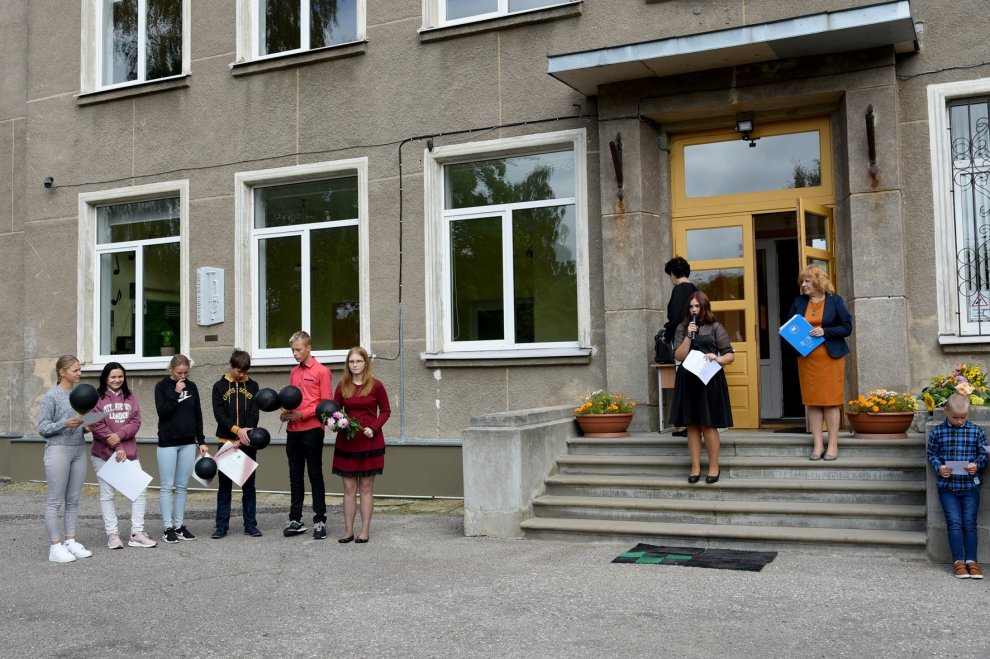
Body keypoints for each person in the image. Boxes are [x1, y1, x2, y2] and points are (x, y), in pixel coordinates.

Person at [787, 265, 852, 461]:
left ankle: (832, 444)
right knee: (813, 402)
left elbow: (847, 327)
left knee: (830, 402)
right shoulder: (799, 301)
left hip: (830, 358)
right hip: (807, 359)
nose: (803, 285)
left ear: (818, 281)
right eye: (802, 281)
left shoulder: (835, 301)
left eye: (807, 281)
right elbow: (790, 327)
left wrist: (825, 331)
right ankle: (817, 444)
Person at [89, 362, 156, 549]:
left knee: (139, 491)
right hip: (103, 455)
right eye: (113, 377)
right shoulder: (96, 398)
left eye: (120, 376)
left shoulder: (131, 396)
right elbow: (97, 426)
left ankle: (136, 534)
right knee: (107, 494)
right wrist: (117, 446)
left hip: (128, 453)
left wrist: (119, 436)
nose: (117, 380)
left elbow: (136, 421)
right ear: (105, 378)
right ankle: (113, 535)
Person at [670, 292, 735, 484]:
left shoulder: (715, 327)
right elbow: (679, 356)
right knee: (692, 424)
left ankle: (714, 467)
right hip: (688, 380)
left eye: (697, 306)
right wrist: (689, 336)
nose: (694, 310)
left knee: (708, 424)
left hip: (709, 379)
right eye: (691, 306)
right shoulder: (682, 328)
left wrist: (718, 358)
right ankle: (695, 467)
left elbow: (730, 355)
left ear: (704, 307)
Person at [37, 355, 94, 563]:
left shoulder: (80, 395)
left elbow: (79, 425)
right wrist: (64, 423)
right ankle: (55, 547)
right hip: (58, 450)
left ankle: (70, 541)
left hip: (78, 450)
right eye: (75, 370)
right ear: (62, 372)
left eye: (80, 370)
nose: (79, 373)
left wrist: (87, 427)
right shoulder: (51, 396)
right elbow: (42, 428)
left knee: (73, 500)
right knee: (55, 501)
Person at [332, 347, 391, 544]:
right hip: (347, 442)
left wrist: (374, 428)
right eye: (351, 362)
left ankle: (364, 531)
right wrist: (336, 422)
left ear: (365, 363)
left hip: (369, 441)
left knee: (366, 488)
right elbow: (334, 411)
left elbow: (385, 410)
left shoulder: (376, 385)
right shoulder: (342, 385)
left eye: (358, 361)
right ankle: (348, 531)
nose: (355, 365)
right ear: (347, 364)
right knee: (349, 489)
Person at [927, 393, 988, 579]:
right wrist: (940, 467)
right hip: (947, 487)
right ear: (946, 410)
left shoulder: (977, 431)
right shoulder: (937, 432)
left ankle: (972, 561)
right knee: (954, 522)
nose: (960, 421)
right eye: (955, 417)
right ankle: (958, 561)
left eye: (964, 417)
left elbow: (984, 454)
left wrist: (977, 464)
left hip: (970, 487)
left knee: (969, 523)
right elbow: (932, 454)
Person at [281, 331, 333, 540]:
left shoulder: (322, 371)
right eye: (292, 350)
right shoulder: (294, 372)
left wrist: (303, 414)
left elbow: (326, 404)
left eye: (298, 350)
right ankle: (295, 519)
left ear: (309, 348)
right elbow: (290, 399)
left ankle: (320, 520)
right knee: (295, 475)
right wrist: (285, 412)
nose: (295, 354)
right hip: (293, 430)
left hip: (312, 430)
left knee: (314, 474)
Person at [155, 354, 208, 544]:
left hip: (188, 442)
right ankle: (167, 528)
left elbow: (197, 414)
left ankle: (179, 526)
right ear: (171, 369)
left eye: (186, 372)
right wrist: (176, 392)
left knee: (182, 486)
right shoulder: (162, 387)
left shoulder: (192, 386)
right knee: (167, 486)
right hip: (168, 442)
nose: (183, 376)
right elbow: (163, 412)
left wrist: (201, 440)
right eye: (179, 373)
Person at [211, 349, 262, 539]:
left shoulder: (253, 386)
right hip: (226, 442)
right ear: (231, 366)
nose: (241, 374)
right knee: (225, 487)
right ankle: (221, 527)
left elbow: (254, 413)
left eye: (245, 371)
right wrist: (236, 430)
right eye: (238, 371)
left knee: (249, 486)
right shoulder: (219, 387)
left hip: (247, 442)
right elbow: (219, 415)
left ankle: (250, 525)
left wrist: (244, 433)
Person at [661, 256, 697, 438]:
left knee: (683, 382)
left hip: (682, 339)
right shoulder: (696, 290)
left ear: (673, 274)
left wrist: (666, 336)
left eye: (670, 275)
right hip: (696, 339)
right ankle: (694, 423)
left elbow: (675, 318)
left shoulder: (679, 290)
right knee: (694, 382)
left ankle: (685, 426)